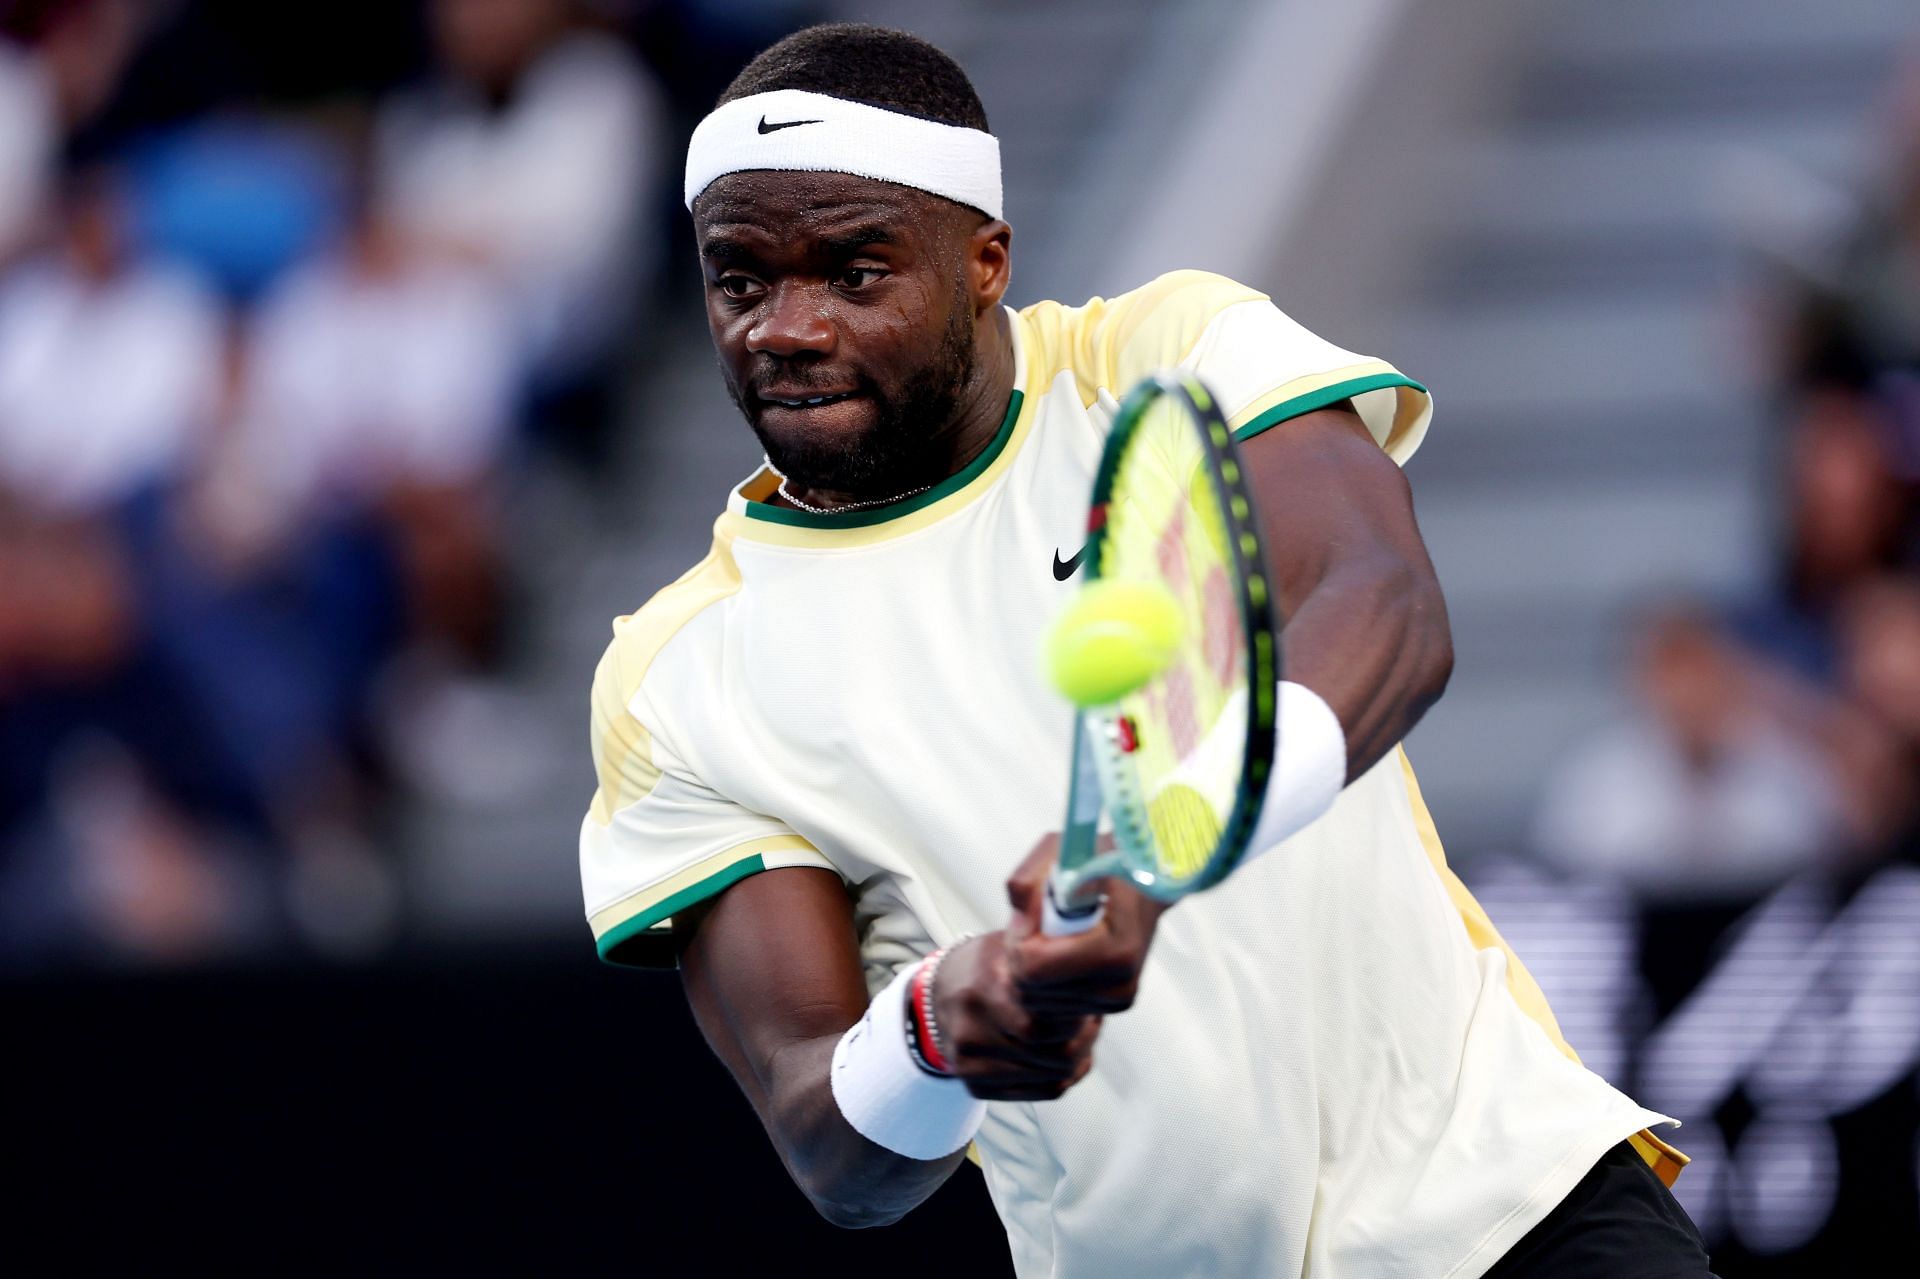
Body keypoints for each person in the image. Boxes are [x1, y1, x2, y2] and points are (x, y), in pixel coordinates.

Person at [578, 24, 1714, 1279]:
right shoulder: (677, 678)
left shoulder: (1166, 353)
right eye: (740, 281)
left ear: (985, 263)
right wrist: (943, 1028)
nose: (783, 329)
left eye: (853, 274)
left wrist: (1166, 837)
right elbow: (830, 1150)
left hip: (1512, 1211)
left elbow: (1385, 603)